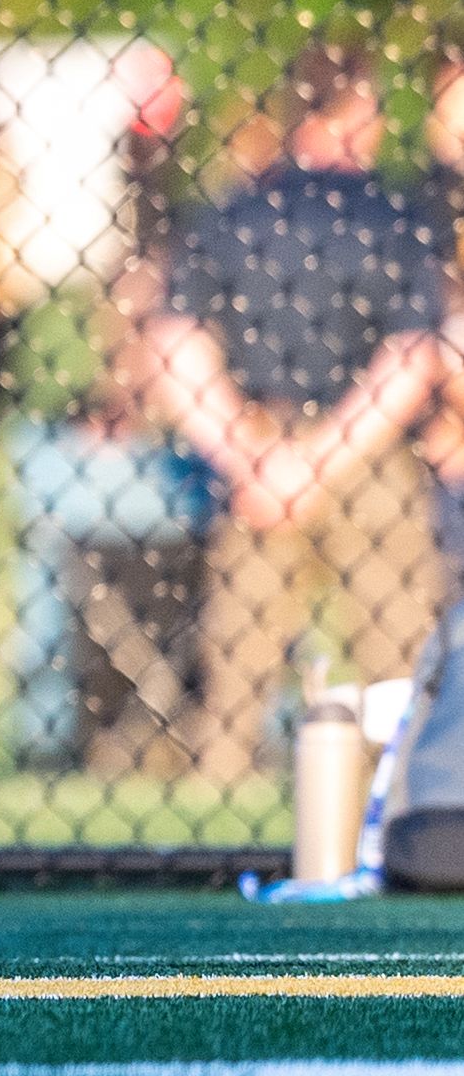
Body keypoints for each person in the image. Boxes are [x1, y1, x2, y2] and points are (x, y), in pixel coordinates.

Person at [155, 45, 456, 785]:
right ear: (359, 113)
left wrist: (251, 457)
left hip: (257, 441)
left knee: (238, 662)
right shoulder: (392, 217)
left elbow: (174, 343)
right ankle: (401, 793)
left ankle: (215, 800)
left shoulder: (230, 212)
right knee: (394, 649)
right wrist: (323, 457)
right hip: (364, 448)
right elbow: (410, 355)